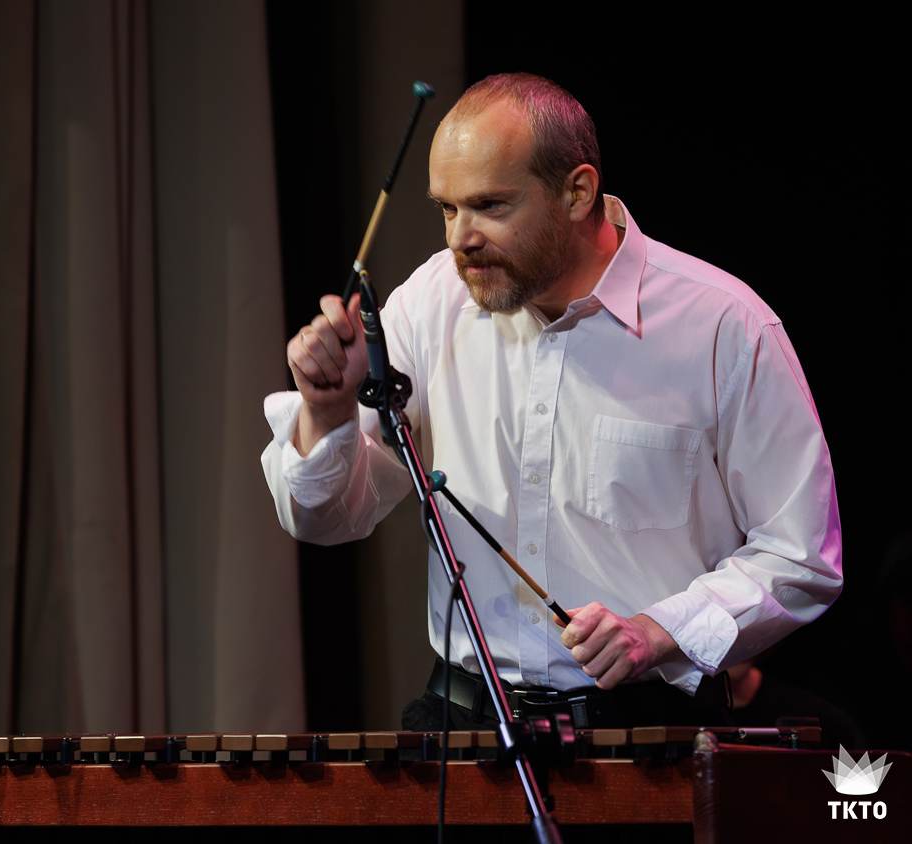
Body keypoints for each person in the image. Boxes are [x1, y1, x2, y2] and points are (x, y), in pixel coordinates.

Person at [261, 73, 842, 730]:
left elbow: (800, 556)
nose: (459, 239)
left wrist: (659, 631)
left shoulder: (724, 327)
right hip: (463, 726)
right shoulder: (430, 302)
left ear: (577, 192)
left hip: (650, 734)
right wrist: (327, 414)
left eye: (489, 206)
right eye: (447, 209)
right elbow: (322, 520)